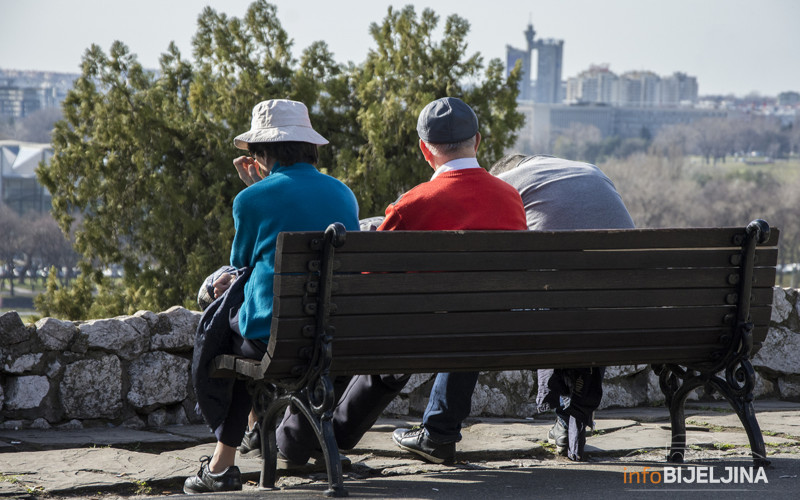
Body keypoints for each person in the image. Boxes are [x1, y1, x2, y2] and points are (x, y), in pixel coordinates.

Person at [275, 97, 528, 465]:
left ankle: (302, 439)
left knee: (348, 325)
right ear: (477, 141)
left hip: (414, 334)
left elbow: (369, 281)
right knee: (469, 317)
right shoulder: (510, 198)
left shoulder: (413, 203)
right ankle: (435, 433)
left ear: (426, 150)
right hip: (491, 329)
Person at [397, 152, 634, 463]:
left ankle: (438, 432)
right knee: (587, 299)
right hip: (626, 316)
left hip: (551, 316)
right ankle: (569, 422)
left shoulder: (503, 183)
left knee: (476, 310)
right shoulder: (592, 170)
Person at [184, 99, 360, 494]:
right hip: (335, 334)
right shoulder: (343, 194)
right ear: (310, 147)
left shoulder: (251, 200)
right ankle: (253, 433)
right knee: (241, 329)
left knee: (225, 336)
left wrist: (257, 189)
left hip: (273, 339)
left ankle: (222, 464)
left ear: (261, 155)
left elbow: (239, 265)